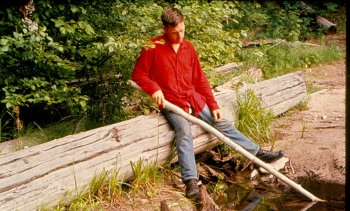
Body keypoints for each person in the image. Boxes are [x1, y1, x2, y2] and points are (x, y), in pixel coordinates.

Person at [131, 7, 284, 200]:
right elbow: (138, 75)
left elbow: (200, 79)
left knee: (222, 123)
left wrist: (213, 105)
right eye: (175, 32)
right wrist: (154, 88)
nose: (180, 36)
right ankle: (191, 182)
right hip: (172, 103)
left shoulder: (189, 47)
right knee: (184, 133)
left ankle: (257, 153)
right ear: (165, 28)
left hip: (193, 98)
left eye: (182, 30)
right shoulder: (152, 47)